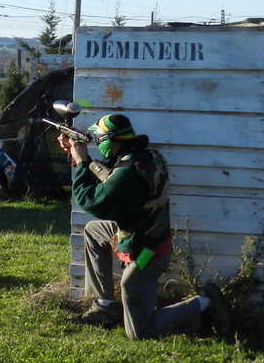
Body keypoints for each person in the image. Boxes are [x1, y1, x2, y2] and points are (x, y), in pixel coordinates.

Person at [58, 113, 231, 340]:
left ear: (110, 141)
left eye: (100, 138)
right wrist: (82, 158)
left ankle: (206, 303)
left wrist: (81, 163)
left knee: (140, 330)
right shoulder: (147, 156)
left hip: (147, 252)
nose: (97, 142)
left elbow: (94, 202)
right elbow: (112, 175)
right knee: (94, 231)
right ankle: (105, 305)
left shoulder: (128, 172)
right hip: (142, 234)